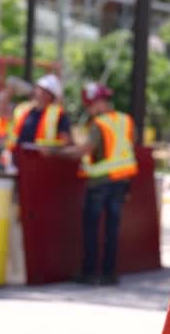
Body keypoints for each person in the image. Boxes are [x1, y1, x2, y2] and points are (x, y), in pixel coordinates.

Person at [57, 82, 138, 286]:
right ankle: (109, 274)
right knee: (112, 229)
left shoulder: (99, 124)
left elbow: (84, 150)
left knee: (91, 229)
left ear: (97, 102)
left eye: (89, 105)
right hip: (121, 181)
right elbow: (129, 146)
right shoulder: (126, 120)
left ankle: (89, 273)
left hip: (100, 183)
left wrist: (57, 152)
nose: (89, 110)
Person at [12, 74, 72, 153]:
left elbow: (67, 142)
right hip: (19, 157)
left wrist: (52, 149)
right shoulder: (24, 109)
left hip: (44, 161)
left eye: (45, 91)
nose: (40, 93)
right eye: (40, 89)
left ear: (51, 95)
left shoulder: (59, 115)